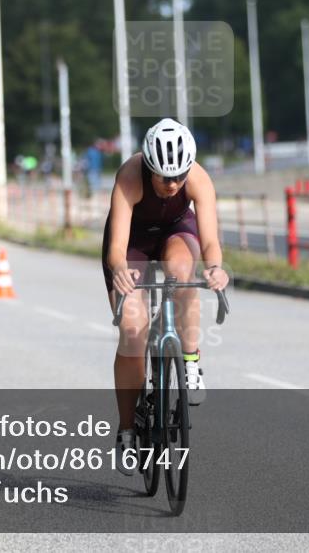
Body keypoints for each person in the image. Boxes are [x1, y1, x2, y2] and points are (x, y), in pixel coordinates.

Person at [102, 118, 229, 474]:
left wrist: (216, 267)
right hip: (133, 243)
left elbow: (210, 242)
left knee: (182, 274)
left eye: (179, 177)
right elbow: (116, 248)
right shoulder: (130, 176)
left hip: (176, 233)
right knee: (132, 330)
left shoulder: (199, 179)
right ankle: (127, 428)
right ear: (149, 168)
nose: (172, 184)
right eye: (164, 177)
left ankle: (189, 362)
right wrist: (120, 272)